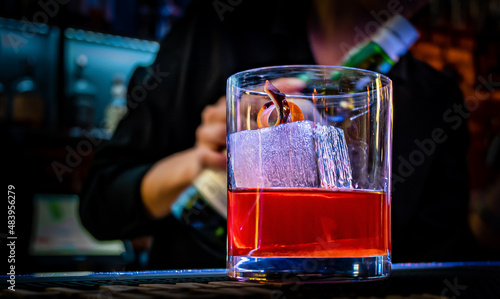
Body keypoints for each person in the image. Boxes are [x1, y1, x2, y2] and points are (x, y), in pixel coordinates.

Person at [80, 0, 477, 269]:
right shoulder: (217, 29)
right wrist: (201, 159)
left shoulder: (434, 98)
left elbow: (437, 259)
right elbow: (100, 207)